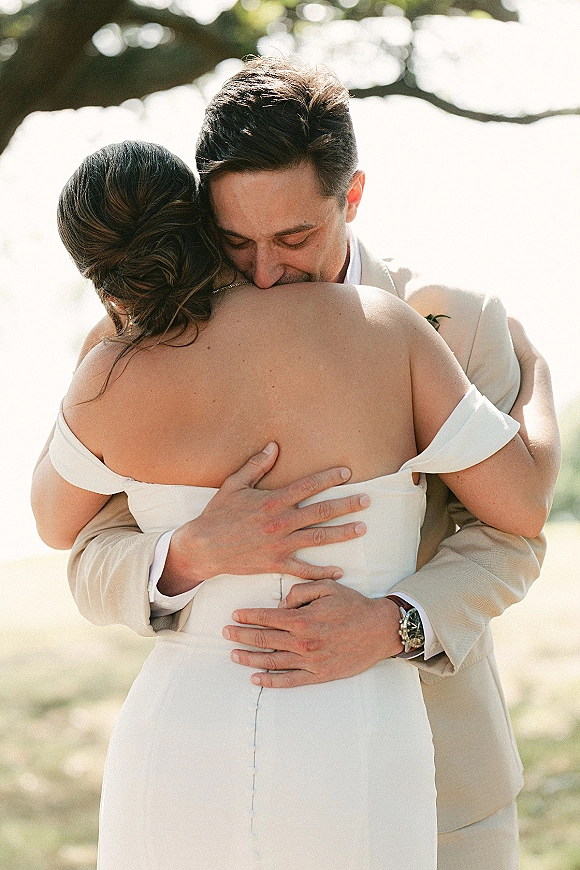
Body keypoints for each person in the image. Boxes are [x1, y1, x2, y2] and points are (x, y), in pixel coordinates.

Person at [60, 59, 559, 869]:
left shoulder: (455, 324)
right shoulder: (155, 339)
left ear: (351, 197)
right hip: (220, 780)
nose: (265, 273)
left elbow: (511, 536)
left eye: (295, 238)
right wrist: (183, 555)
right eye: (234, 242)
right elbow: (85, 552)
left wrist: (395, 623)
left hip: (446, 787)